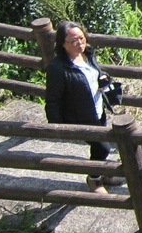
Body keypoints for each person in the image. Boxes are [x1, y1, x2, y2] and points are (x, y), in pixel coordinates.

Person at [45, 21, 123, 194]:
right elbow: (53, 98)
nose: (79, 43)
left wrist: (103, 80)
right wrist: (56, 126)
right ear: (62, 44)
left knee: (99, 147)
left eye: (82, 38)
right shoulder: (57, 68)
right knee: (103, 148)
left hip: (97, 109)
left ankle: (103, 174)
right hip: (79, 115)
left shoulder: (87, 53)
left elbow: (94, 73)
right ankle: (94, 179)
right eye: (73, 41)